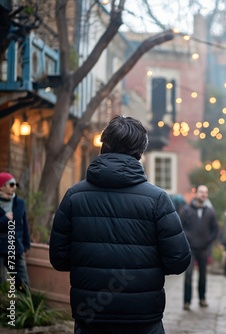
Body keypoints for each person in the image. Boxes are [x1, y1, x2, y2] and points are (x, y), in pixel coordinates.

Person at [49, 115, 191, 334]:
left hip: (90, 314)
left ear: (104, 145)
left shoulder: (74, 196)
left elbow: (59, 258)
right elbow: (178, 261)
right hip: (142, 316)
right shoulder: (158, 199)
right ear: (139, 151)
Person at [179, 185, 219, 310]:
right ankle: (187, 302)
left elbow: (215, 229)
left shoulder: (210, 211)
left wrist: (209, 240)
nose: (203, 194)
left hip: (203, 248)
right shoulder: (186, 210)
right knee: (189, 275)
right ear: (196, 193)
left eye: (206, 192)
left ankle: (202, 299)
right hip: (190, 249)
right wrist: (188, 238)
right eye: (201, 192)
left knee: (203, 275)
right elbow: (180, 227)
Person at [0, 172, 31, 290]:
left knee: (23, 283)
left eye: (15, 185)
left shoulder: (20, 203)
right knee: (1, 283)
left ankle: (24, 306)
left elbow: (24, 225)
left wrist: (26, 245)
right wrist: (5, 219)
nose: (14, 187)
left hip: (16, 247)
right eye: (11, 184)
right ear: (1, 186)